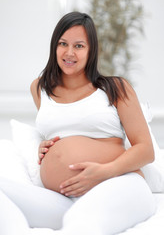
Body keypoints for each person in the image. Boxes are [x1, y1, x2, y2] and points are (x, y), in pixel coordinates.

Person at [0, 12, 156, 235]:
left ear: (91, 50)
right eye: (63, 43)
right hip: (63, 199)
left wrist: (103, 172)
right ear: (55, 46)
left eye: (79, 46)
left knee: (82, 222)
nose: (69, 52)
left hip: (119, 184)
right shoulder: (39, 88)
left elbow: (146, 150)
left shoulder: (115, 88)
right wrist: (43, 145)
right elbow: (61, 130)